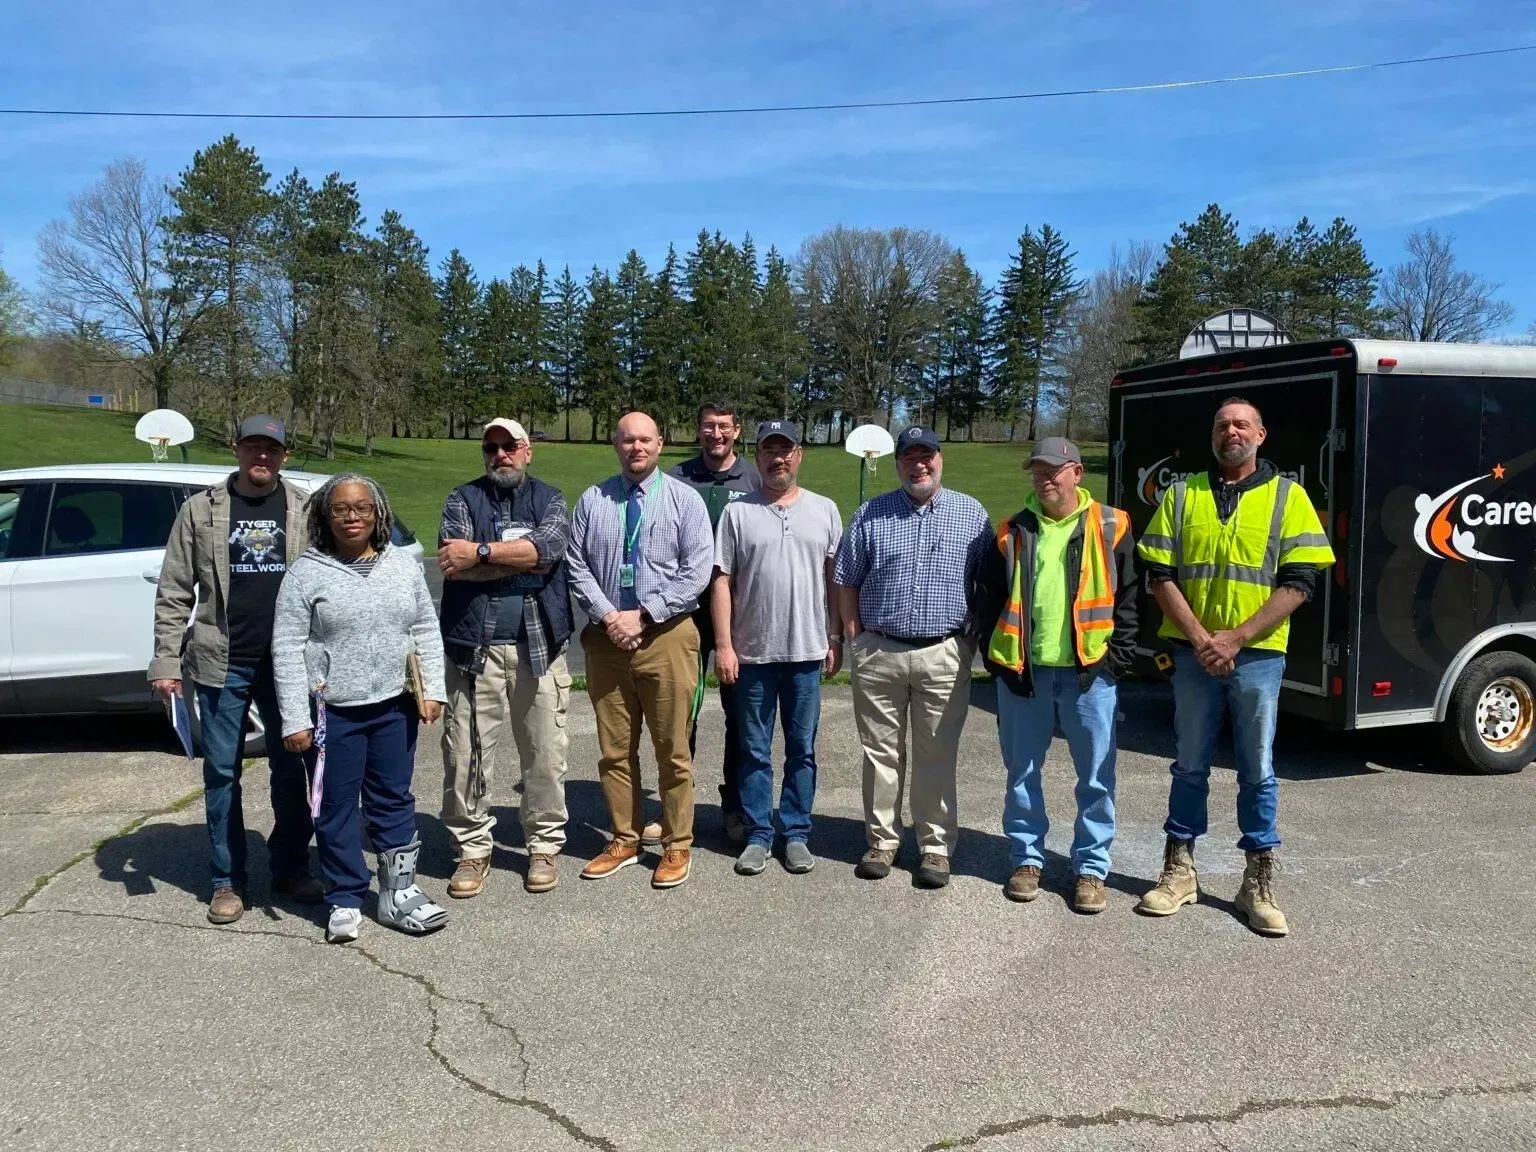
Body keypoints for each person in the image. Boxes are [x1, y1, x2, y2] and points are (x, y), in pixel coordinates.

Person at [1135, 397, 1336, 936]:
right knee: (1190, 764)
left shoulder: (1288, 498)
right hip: (1195, 654)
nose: (1232, 431)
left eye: (1242, 424)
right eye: (1223, 424)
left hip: (1259, 657)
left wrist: (1238, 637)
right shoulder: (1181, 494)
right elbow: (1159, 573)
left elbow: (1301, 583)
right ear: (1213, 434)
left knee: (1258, 771)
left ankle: (1258, 884)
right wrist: (1204, 640)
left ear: (1261, 435)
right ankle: (1179, 871)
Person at [148, 414, 320, 925]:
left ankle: (290, 867)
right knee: (222, 771)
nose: (261, 456)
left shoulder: (306, 510)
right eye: (252, 447)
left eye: (271, 448)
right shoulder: (201, 511)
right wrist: (164, 659)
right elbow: (175, 589)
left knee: (295, 768)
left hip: (290, 662)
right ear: (236, 450)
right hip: (222, 661)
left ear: (284, 454)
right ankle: (228, 880)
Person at [272, 474, 449, 944]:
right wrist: (296, 717)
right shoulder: (305, 573)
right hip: (334, 713)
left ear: (379, 513)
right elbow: (287, 647)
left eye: (363, 508)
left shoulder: (401, 566)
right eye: (341, 509)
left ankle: (399, 893)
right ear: (324, 516)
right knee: (335, 807)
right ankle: (346, 897)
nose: (353, 517)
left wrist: (432, 689)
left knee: (393, 799)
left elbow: (425, 629)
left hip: (394, 707)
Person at [976, 438, 1138, 912]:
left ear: (1077, 473)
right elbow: (988, 600)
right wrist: (995, 660)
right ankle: (1027, 859)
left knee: (1095, 776)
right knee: (1022, 772)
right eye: (1037, 471)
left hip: (1090, 674)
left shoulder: (1112, 524)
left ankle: (1090, 869)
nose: (1044, 479)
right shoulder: (1011, 530)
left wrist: (1117, 659)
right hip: (1024, 673)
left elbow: (1131, 597)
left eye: (1053, 470)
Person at [834, 425, 994, 889]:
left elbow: (987, 583)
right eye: (910, 458)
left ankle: (935, 847)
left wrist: (969, 641)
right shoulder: (871, 513)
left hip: (943, 650)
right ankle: (883, 841)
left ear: (940, 459)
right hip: (879, 649)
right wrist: (852, 634)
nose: (919, 465)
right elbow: (846, 576)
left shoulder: (971, 513)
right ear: (898, 462)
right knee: (880, 753)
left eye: (927, 456)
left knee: (936, 753)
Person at [567, 411, 714, 888]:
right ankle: (625, 838)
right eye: (628, 440)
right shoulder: (593, 499)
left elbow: (697, 571)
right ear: (616, 444)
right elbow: (576, 565)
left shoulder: (684, 500)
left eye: (645, 440)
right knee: (614, 751)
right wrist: (611, 616)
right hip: (607, 639)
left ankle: (676, 844)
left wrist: (643, 614)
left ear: (660, 443)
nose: (637, 448)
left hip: (667, 635)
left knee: (672, 749)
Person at [435, 418, 573, 898]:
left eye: (509, 446)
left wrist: (483, 552)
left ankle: (543, 846)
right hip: (475, 651)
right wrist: (519, 559)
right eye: (491, 448)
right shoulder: (461, 499)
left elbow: (549, 552)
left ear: (526, 450)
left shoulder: (551, 499)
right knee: (466, 754)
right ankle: (473, 851)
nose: (500, 455)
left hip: (538, 647)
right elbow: (453, 565)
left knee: (544, 754)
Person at [712, 420, 842, 876]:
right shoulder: (738, 513)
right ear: (758, 457)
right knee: (753, 750)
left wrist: (835, 636)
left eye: (785, 450)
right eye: (768, 451)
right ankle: (758, 834)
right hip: (752, 654)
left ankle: (796, 832)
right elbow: (721, 581)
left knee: (802, 748)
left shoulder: (825, 510)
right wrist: (724, 646)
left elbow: (833, 580)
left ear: (799, 454)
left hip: (806, 651)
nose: (777, 459)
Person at [669, 399, 761, 847]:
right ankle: (677, 804)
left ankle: (734, 804)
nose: (716, 434)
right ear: (699, 430)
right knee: (681, 714)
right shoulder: (675, 479)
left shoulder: (756, 479)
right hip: (682, 614)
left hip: (739, 617)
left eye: (724, 427)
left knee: (739, 716)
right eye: (709, 426)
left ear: (737, 431)